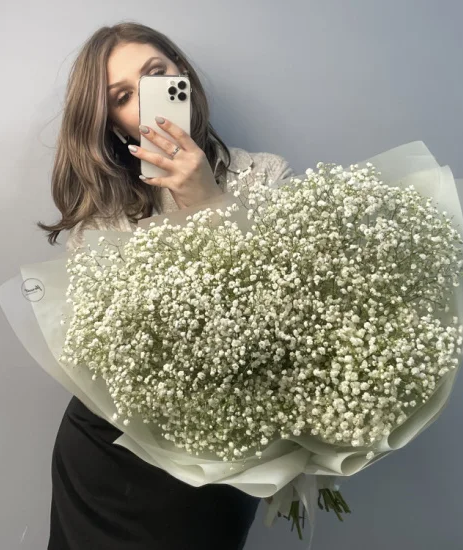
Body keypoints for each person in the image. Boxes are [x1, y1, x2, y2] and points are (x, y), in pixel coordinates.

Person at [37, 21, 293, 550]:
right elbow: (108, 351)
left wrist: (207, 202)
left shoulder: (265, 176)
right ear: (115, 125)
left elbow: (281, 320)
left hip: (219, 451)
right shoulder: (102, 213)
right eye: (123, 96)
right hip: (107, 452)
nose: (147, 98)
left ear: (184, 79)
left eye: (157, 75)